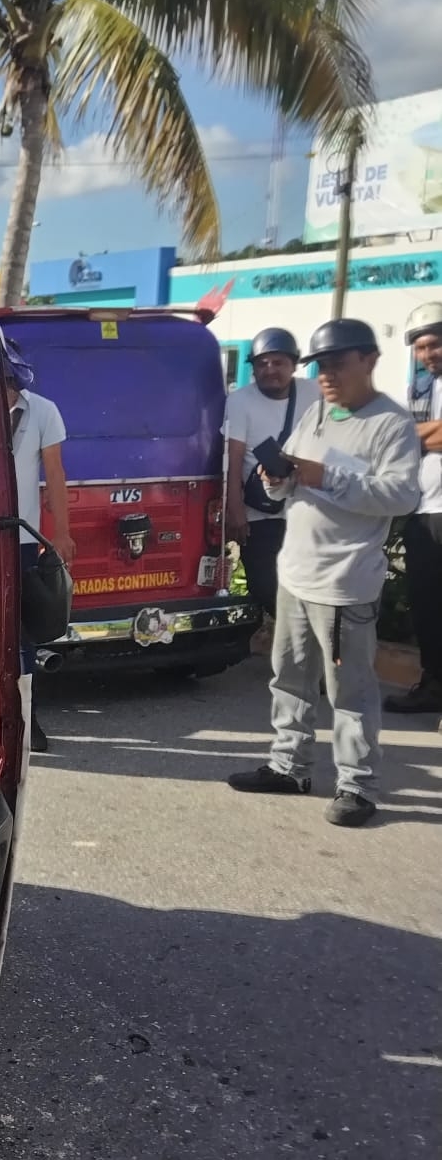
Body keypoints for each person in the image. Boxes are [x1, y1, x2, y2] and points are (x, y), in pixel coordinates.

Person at [227, 319, 421, 827]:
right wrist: (277, 480)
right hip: (295, 569)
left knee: (349, 690)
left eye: (337, 363)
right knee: (289, 678)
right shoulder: (315, 412)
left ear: (369, 361)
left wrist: (325, 475)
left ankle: (357, 785)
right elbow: (291, 485)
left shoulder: (390, 423)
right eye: (322, 366)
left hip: (344, 581)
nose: (328, 375)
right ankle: (289, 766)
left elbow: (401, 495)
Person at [223, 328, 323, 634]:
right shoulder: (240, 401)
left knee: (308, 579)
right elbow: (233, 457)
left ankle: (308, 646)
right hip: (260, 509)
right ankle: (301, 636)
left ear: (293, 365)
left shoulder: (314, 394)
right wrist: (235, 508)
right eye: (262, 364)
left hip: (305, 506)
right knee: (263, 582)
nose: (270, 370)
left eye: (278, 362)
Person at [5, 363, 74, 753]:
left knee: (24, 633)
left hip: (22, 539)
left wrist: (61, 532)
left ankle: (28, 720)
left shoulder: (43, 410)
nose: (7, 386)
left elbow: (55, 472)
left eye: (12, 381)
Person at [383, 301, 442, 717]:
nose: (427, 354)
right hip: (425, 510)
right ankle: (433, 686)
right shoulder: (426, 387)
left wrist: (406, 433)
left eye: (434, 345)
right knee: (428, 606)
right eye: (421, 348)